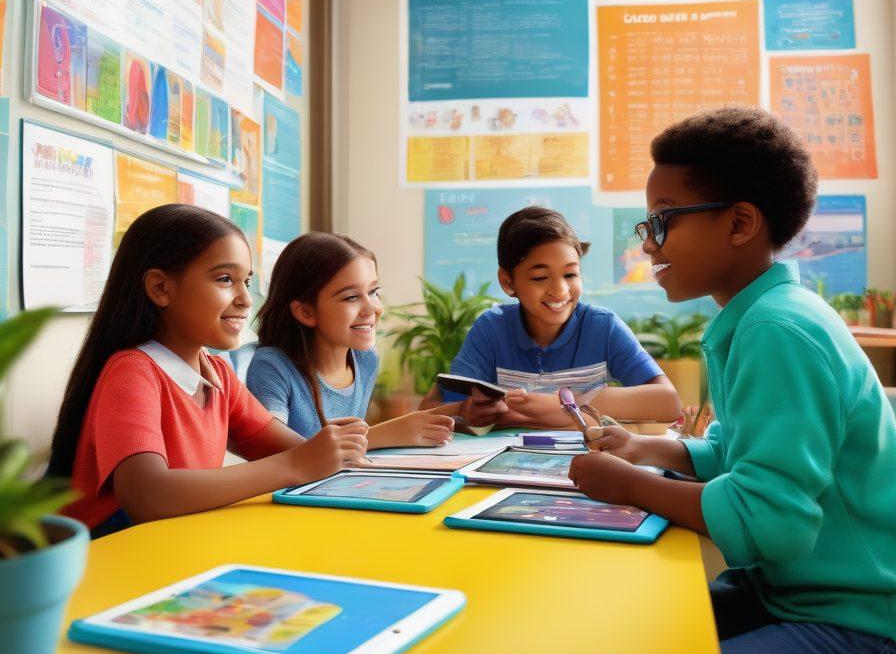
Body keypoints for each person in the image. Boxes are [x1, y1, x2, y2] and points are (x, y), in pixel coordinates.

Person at [568, 106, 896, 654]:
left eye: (661, 222)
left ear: (740, 222)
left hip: (862, 626)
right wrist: (646, 449)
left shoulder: (779, 331)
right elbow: (737, 452)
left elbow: (771, 519)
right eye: (647, 226)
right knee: (610, 641)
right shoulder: (754, 317)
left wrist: (632, 485)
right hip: (790, 595)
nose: (649, 243)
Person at [49, 205, 367, 537]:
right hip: (111, 555)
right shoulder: (132, 372)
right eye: (226, 279)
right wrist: (295, 465)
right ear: (160, 288)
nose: (245, 299)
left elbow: (298, 451)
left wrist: (322, 453)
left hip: (173, 545)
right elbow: (146, 494)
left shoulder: (217, 374)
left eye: (247, 281)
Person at [419, 206, 680, 429]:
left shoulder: (602, 326)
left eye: (570, 275)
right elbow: (429, 409)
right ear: (507, 281)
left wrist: (566, 404)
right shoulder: (491, 329)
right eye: (540, 278)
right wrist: (465, 412)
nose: (560, 290)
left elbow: (667, 403)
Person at [246, 233, 455, 448]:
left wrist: (456, 412)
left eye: (373, 292)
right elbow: (272, 451)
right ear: (306, 312)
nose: (371, 308)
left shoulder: (365, 359)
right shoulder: (272, 366)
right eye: (351, 297)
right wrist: (383, 434)